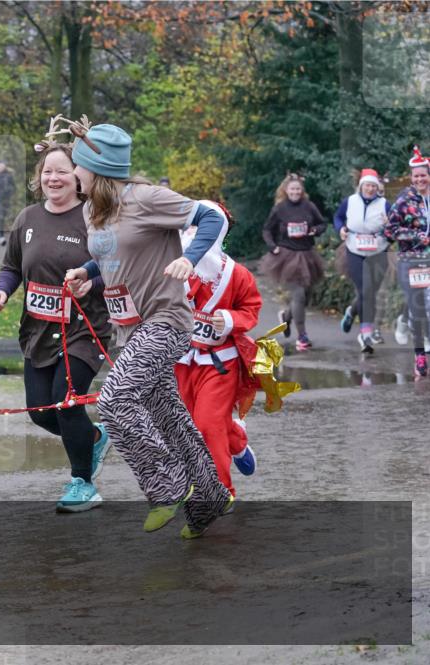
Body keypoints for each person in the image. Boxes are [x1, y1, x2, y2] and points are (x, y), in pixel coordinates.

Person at [61, 118, 232, 538]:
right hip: (129, 329)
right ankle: (209, 499)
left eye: (75, 165)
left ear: (95, 169)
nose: (71, 173)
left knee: (116, 400)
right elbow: (114, 257)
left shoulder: (146, 198)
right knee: (169, 415)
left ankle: (168, 486)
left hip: (166, 320)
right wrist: (87, 272)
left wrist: (189, 258)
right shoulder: (91, 210)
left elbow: (211, 217)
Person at [0, 136, 113, 512]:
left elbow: (119, 265)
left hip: (84, 329)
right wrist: (2, 292)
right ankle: (92, 438)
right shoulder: (27, 218)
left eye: (62, 171)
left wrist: (92, 280)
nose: (53, 178)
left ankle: (83, 483)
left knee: (66, 401)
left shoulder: (95, 219)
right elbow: (11, 266)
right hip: (39, 330)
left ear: (78, 178)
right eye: (47, 171)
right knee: (40, 411)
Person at [174, 201, 262, 499]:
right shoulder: (173, 267)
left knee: (208, 425)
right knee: (187, 424)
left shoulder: (237, 275)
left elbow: (251, 309)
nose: (196, 233)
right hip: (181, 362)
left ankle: (218, 494)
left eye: (205, 228)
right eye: (192, 226)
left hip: (220, 364)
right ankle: (236, 441)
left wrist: (228, 320)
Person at [260, 173, 327, 351]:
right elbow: (267, 230)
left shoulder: (309, 206)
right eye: (292, 189)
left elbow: (322, 224)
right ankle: (302, 337)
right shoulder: (280, 208)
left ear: (302, 191)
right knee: (298, 295)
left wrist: (315, 230)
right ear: (286, 190)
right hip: (287, 256)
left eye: (298, 189)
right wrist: (272, 246)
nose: (295, 192)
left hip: (308, 255)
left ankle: (286, 316)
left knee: (307, 296)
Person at [386, 146, 430, 378]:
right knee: (418, 309)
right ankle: (420, 355)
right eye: (416, 176)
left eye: (423, 175)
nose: (420, 179)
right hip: (410, 260)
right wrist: (415, 236)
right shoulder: (405, 199)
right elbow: (390, 229)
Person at [334, 169, 392, 353]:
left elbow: (394, 227)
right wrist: (341, 228)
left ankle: (352, 311)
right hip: (355, 250)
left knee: (370, 292)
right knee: (365, 289)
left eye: (373, 186)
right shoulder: (350, 201)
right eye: (367, 185)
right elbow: (338, 217)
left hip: (378, 251)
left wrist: (389, 225)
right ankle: (365, 333)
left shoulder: (385, 204)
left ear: (377, 187)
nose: (370, 189)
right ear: (361, 186)